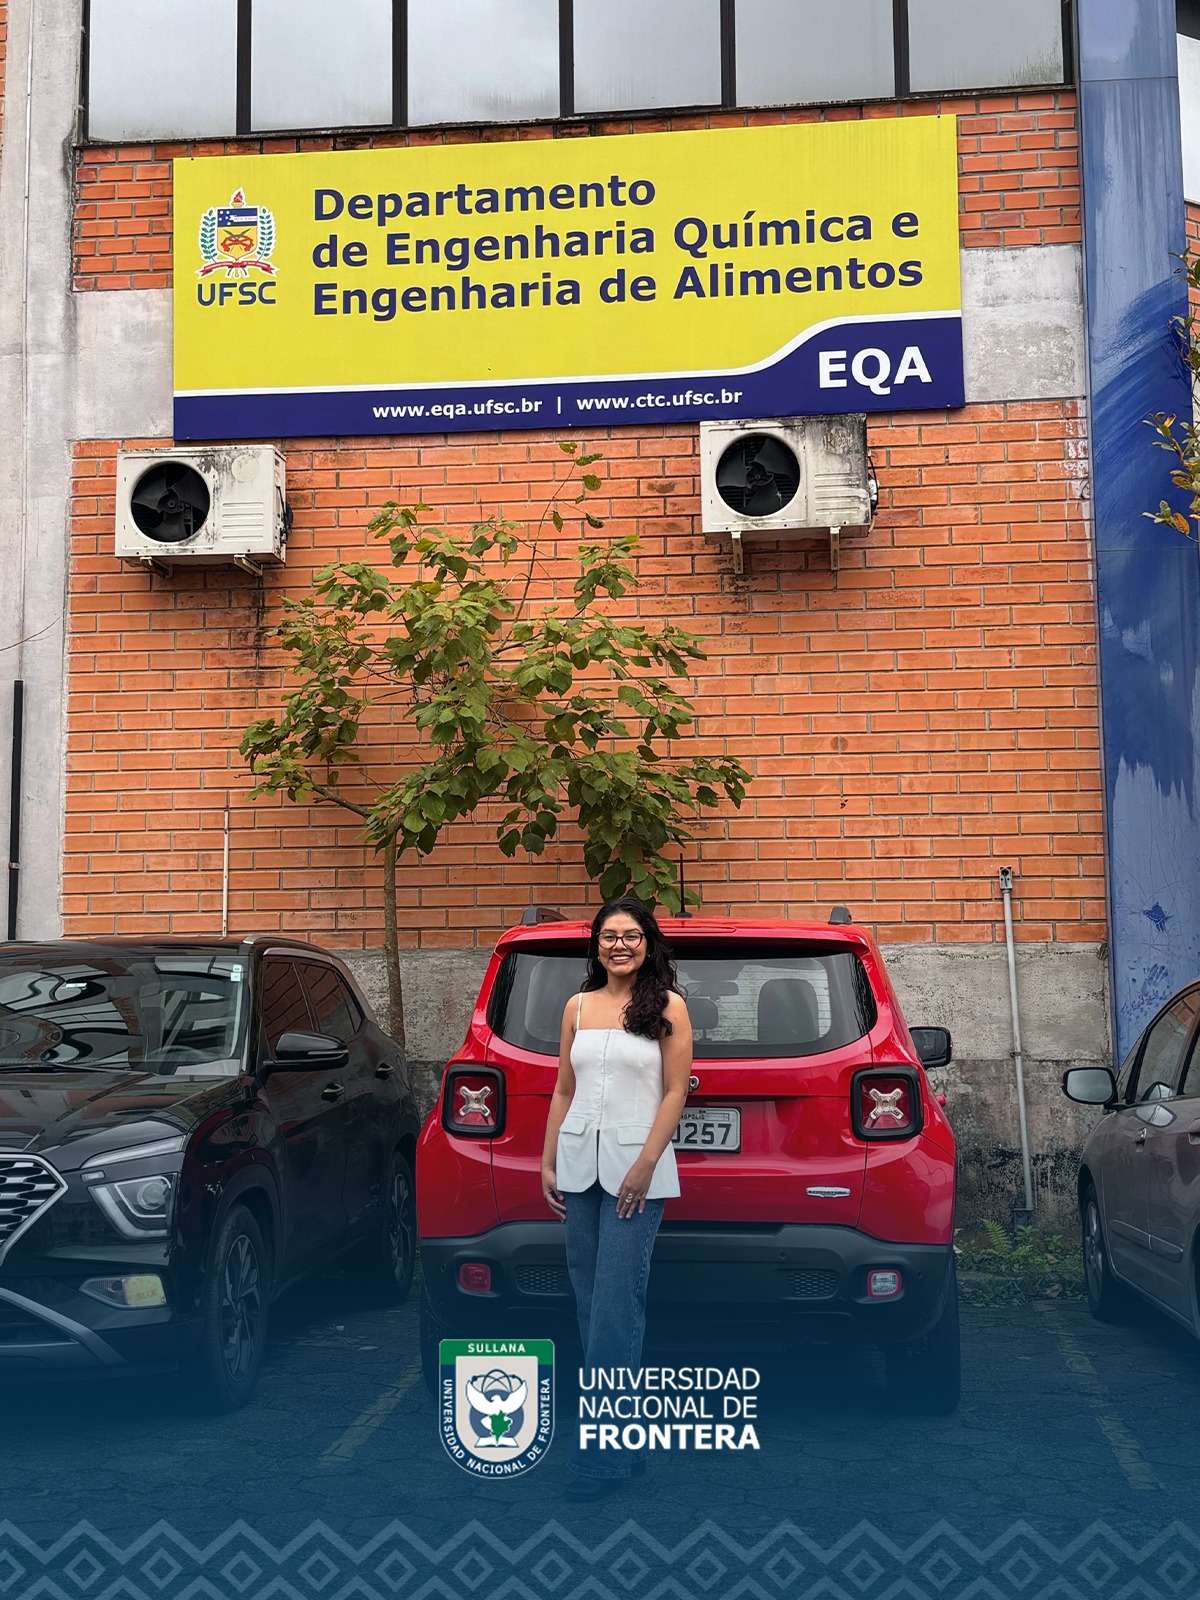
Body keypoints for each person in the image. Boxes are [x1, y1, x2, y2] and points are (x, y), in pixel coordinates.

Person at [541, 896, 691, 1501]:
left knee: (613, 1309)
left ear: (647, 943)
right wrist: (548, 1159)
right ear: (596, 946)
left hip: (637, 1174)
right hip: (579, 1168)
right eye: (609, 936)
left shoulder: (668, 1007)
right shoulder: (577, 1006)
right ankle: (627, 1443)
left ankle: (601, 1457)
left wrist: (646, 1164)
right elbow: (563, 1090)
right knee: (588, 1301)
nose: (619, 945)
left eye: (631, 935)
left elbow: (676, 1092)